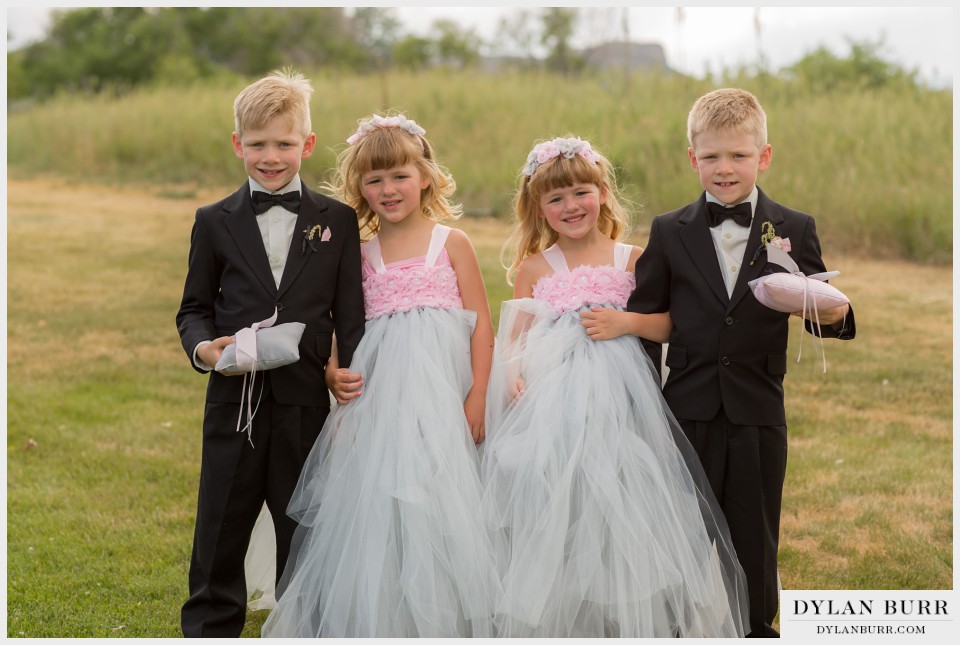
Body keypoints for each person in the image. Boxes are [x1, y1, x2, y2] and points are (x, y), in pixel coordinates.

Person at [481, 135, 749, 637]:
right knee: (563, 504)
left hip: (624, 405)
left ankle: (633, 618)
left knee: (624, 501)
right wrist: (513, 374)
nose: (570, 206)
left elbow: (671, 324)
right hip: (553, 409)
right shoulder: (534, 269)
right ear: (538, 208)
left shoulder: (633, 258)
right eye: (555, 198)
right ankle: (567, 616)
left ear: (603, 191)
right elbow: (513, 338)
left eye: (581, 192)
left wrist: (625, 323)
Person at [260, 114, 502, 637]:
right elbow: (340, 325)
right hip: (380, 397)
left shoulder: (452, 243)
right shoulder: (358, 251)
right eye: (374, 180)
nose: (388, 190)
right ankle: (383, 610)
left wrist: (480, 394)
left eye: (399, 176)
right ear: (358, 186)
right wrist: (331, 372)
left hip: (445, 394)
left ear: (426, 177)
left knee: (444, 496)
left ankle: (446, 615)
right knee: (381, 498)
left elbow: (482, 325)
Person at [627, 88, 857, 637]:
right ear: (692, 159)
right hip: (686, 410)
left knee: (755, 533)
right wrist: (639, 401)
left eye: (738, 155)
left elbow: (819, 305)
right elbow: (645, 318)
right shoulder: (668, 230)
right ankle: (675, 628)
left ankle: (756, 626)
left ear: (764, 156)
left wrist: (832, 311)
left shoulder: (793, 227)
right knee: (679, 531)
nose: (724, 168)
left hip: (757, 409)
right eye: (711, 157)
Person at [175, 69, 366, 638]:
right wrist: (205, 351)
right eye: (257, 144)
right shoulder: (214, 221)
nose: (271, 156)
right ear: (238, 145)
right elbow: (193, 309)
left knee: (301, 522)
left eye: (284, 143)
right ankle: (211, 624)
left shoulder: (337, 221)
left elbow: (349, 313)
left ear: (306, 145)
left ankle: (302, 625)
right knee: (221, 524)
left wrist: (346, 375)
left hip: (305, 400)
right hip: (234, 399)